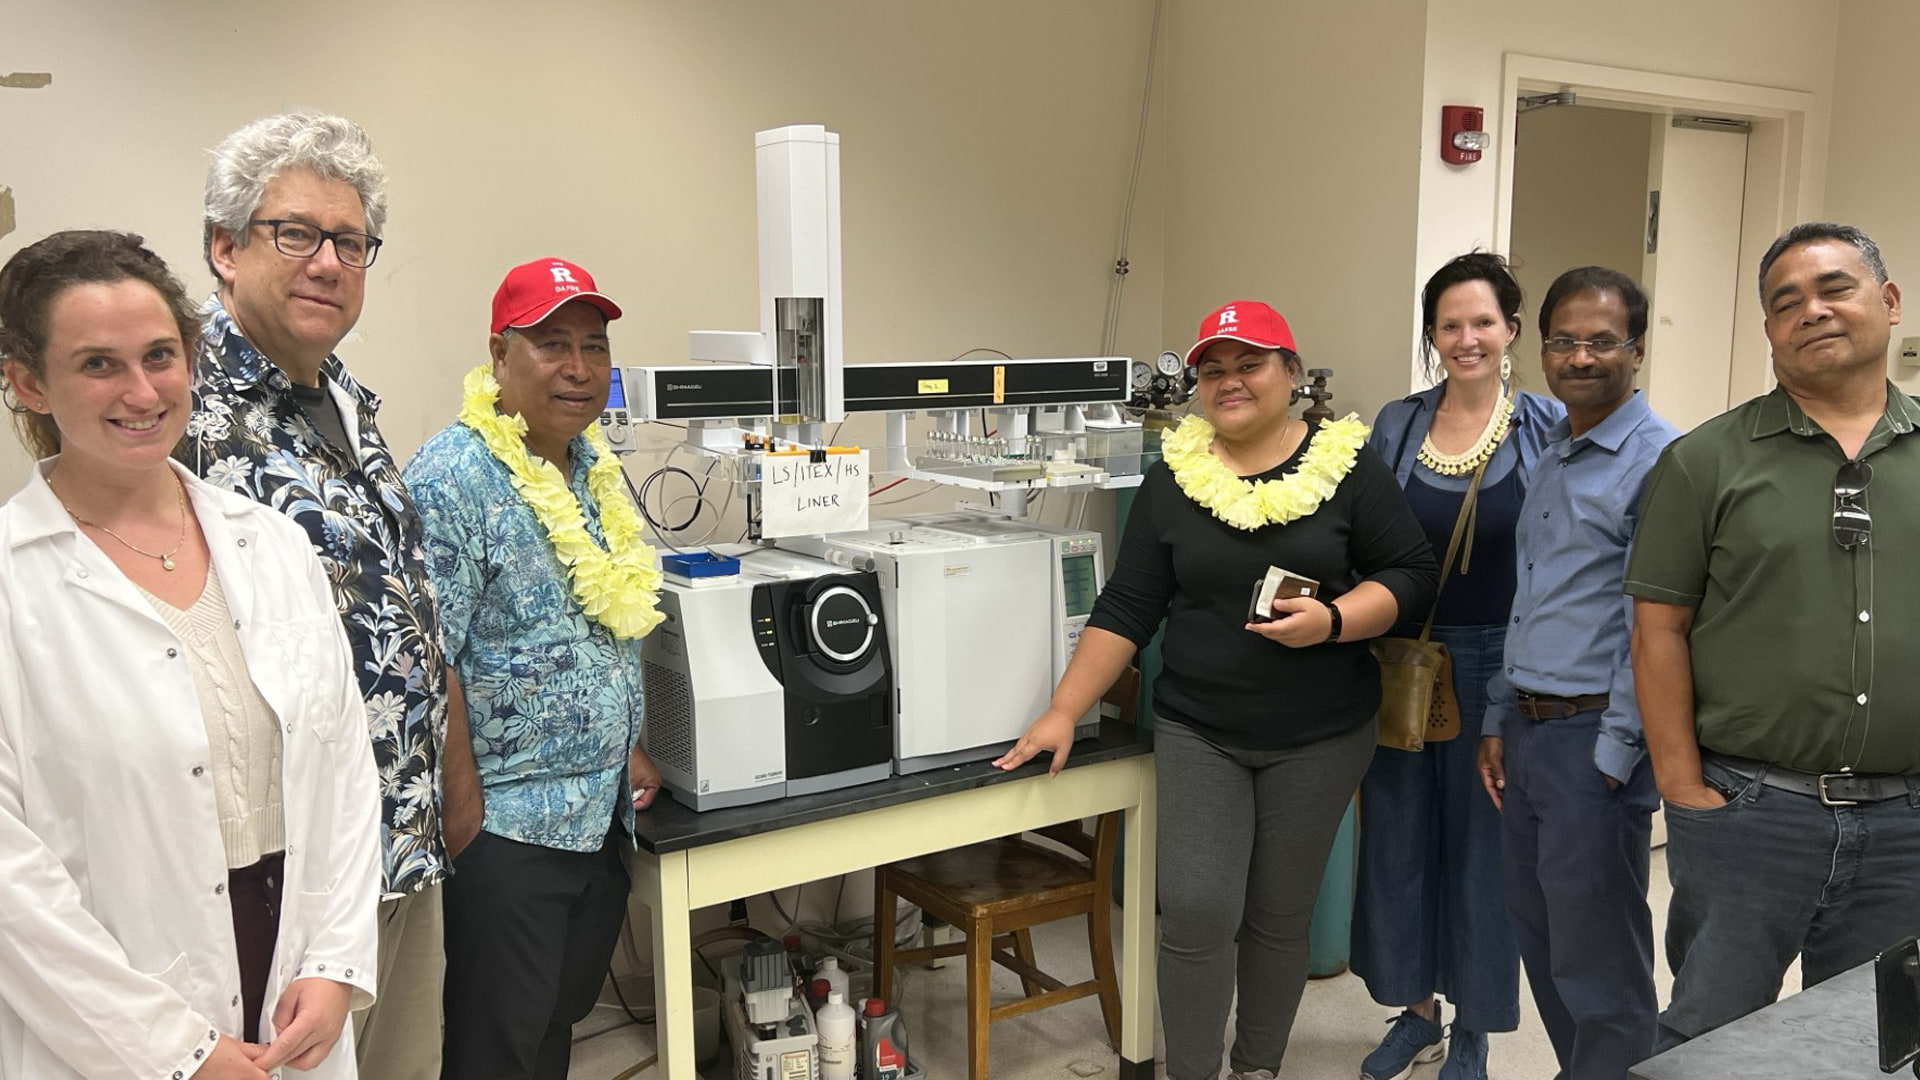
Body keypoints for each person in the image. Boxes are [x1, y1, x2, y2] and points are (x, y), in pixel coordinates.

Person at [995, 301, 1438, 1080]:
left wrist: (1333, 620)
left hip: (1323, 733)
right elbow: (1128, 604)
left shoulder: (1347, 466)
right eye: (1213, 368)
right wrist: (1065, 710)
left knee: (1277, 915)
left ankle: (1257, 1067)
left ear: (1292, 375)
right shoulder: (1174, 482)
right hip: (1201, 727)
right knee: (1196, 911)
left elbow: (1411, 574)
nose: (1230, 381)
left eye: (1250, 363)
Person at [0, 230, 379, 1079]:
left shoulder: (273, 544)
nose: (141, 392)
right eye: (99, 364)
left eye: (160, 356)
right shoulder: (12, 585)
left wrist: (335, 964)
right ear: (28, 381)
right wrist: (170, 1048)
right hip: (110, 1013)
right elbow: (9, 884)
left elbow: (345, 764)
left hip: (292, 976)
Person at [180, 111, 475, 1080]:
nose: (328, 262)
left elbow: (403, 604)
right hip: (284, 872)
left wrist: (449, 768)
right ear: (224, 247)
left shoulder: (343, 394)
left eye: (350, 242)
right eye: (295, 233)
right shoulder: (183, 412)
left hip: (400, 844)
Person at [1628, 223, 1920, 1051]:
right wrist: (1683, 789)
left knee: (1870, 1044)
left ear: (1889, 303)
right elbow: (1658, 630)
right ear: (1769, 332)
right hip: (1751, 813)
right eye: (1786, 302)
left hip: (1906, 823)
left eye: (1836, 288)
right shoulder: (1705, 462)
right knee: (1711, 1037)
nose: (1812, 312)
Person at [404, 257, 664, 1080]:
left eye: (594, 346)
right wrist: (463, 805)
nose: (579, 368)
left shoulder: (593, 467)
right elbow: (426, 652)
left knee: (557, 1022)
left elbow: (601, 626)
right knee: (495, 1044)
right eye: (552, 345)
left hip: (598, 814)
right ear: (499, 354)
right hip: (508, 823)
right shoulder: (451, 477)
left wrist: (627, 745)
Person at [1356, 253, 1561, 1080]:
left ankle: (1474, 1026)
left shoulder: (1548, 426)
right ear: (1432, 335)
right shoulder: (1396, 425)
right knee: (1399, 840)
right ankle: (1416, 1013)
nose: (1467, 338)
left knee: (1483, 850)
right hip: (1405, 664)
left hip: (1502, 668)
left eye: (1483, 322)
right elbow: (1366, 542)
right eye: (1450, 324)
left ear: (1512, 329)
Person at [1476, 266, 1677, 1080]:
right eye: (1565, 341)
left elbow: (1655, 623)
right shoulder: (1555, 450)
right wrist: (1497, 716)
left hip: (1594, 735)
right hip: (1527, 730)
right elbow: (1534, 595)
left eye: (1602, 341)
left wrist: (1618, 752)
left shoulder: (1661, 462)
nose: (1581, 357)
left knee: (1598, 956)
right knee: (1544, 935)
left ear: (1636, 349)